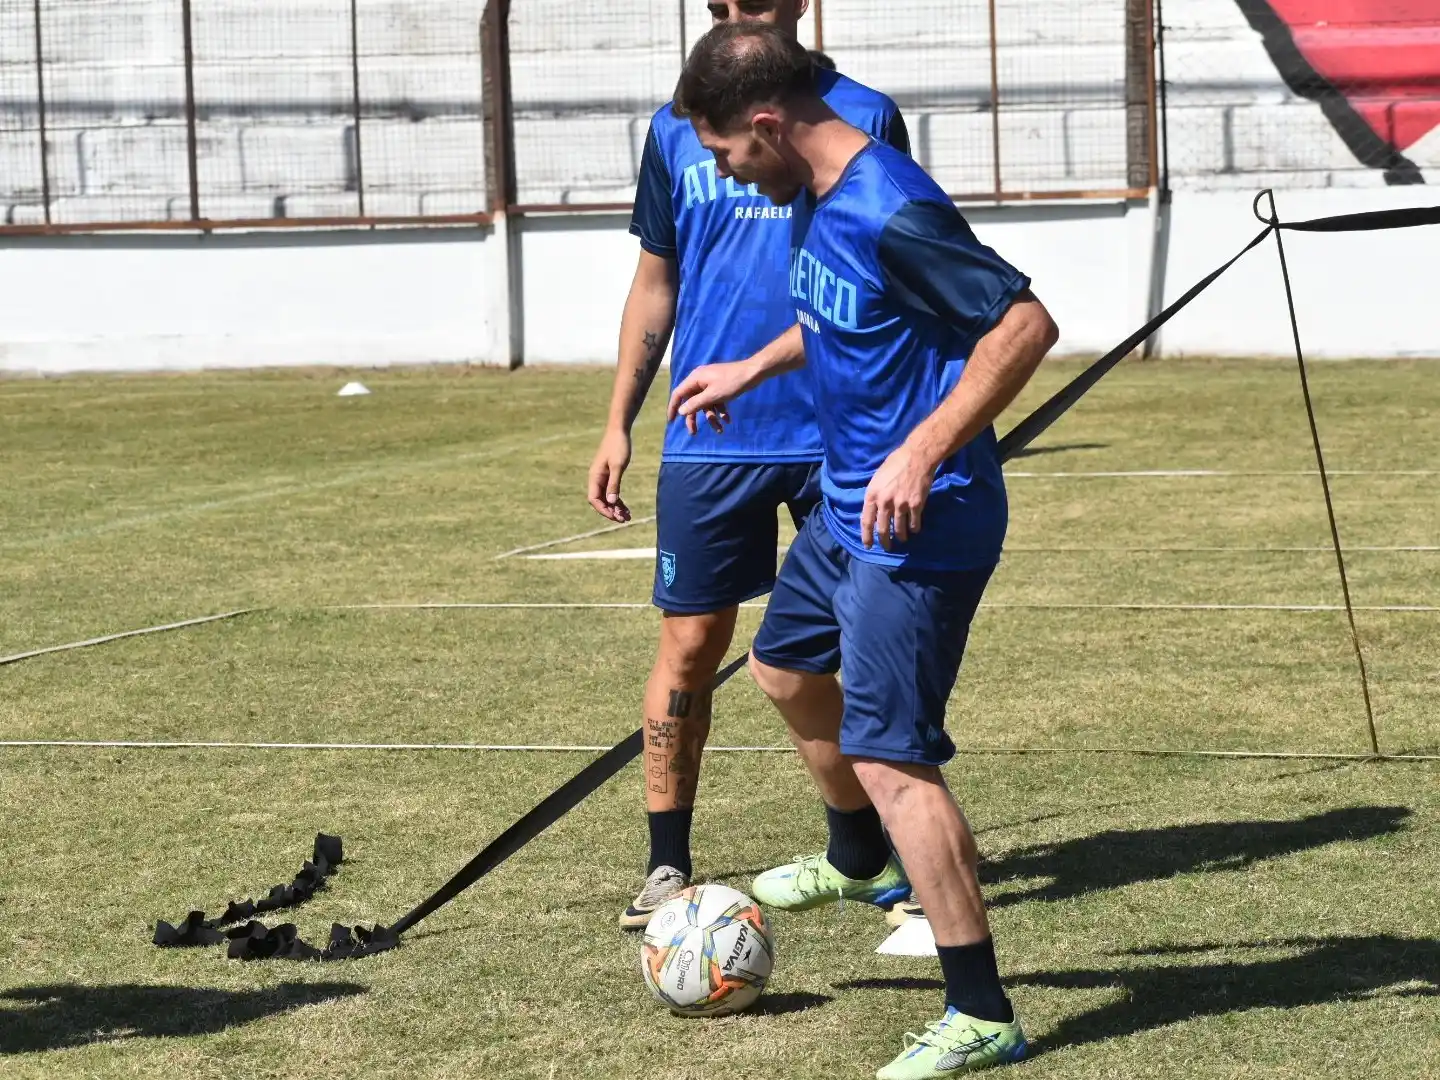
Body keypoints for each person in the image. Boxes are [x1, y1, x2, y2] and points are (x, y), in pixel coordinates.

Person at [667, 23, 1058, 1079]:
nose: (724, 172)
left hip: (919, 523)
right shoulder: (812, 193)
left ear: (765, 123)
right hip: (847, 509)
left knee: (891, 756)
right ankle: (855, 859)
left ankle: (981, 1012)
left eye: (723, 150)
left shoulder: (890, 204)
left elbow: (1024, 326)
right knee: (785, 667)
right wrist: (750, 367)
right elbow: (846, 316)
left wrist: (921, 451)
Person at [586, 0, 910, 930]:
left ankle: (869, 852)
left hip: (836, 431)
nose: (745, 8)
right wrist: (617, 421)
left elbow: (893, 266)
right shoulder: (677, 125)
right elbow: (656, 279)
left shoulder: (862, 114)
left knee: (852, 648)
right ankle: (667, 863)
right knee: (690, 644)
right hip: (709, 435)